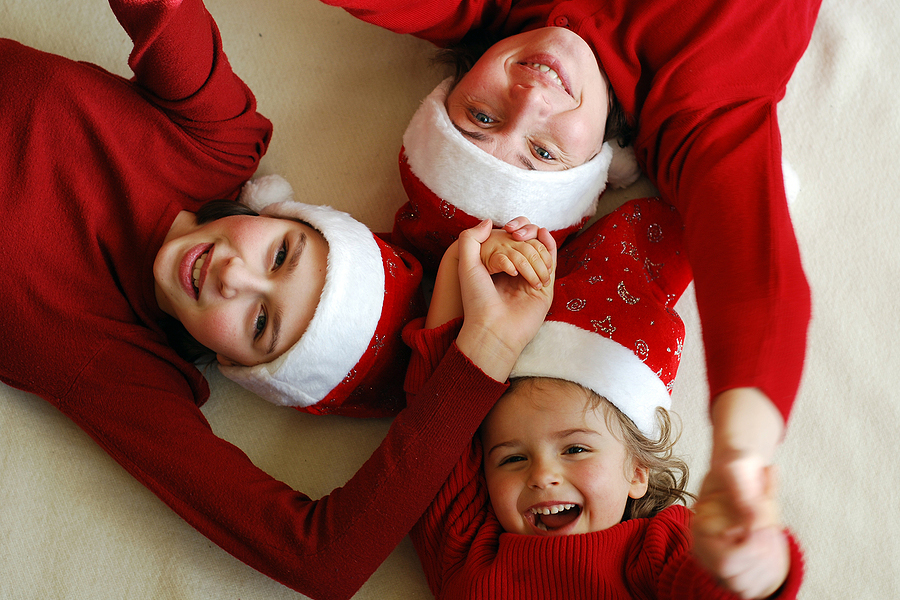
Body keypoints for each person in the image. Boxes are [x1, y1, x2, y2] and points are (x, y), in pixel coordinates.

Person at [0, 1, 557, 597]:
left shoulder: (120, 370)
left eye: (261, 321)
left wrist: (486, 351)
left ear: (242, 368)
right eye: (281, 255)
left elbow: (327, 562)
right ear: (280, 213)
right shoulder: (219, 142)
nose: (233, 277)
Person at [320, 0, 817, 552]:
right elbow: (752, 278)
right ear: (600, 166)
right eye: (543, 151)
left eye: (480, 118)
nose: (530, 97)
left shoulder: (492, 14)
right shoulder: (699, 112)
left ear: (460, 78)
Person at [402, 196, 803, 599]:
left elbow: (716, 583)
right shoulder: (466, 552)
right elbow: (433, 422)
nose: (542, 475)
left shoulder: (655, 550)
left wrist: (752, 564)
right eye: (512, 459)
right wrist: (464, 261)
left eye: (576, 449)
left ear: (637, 472)